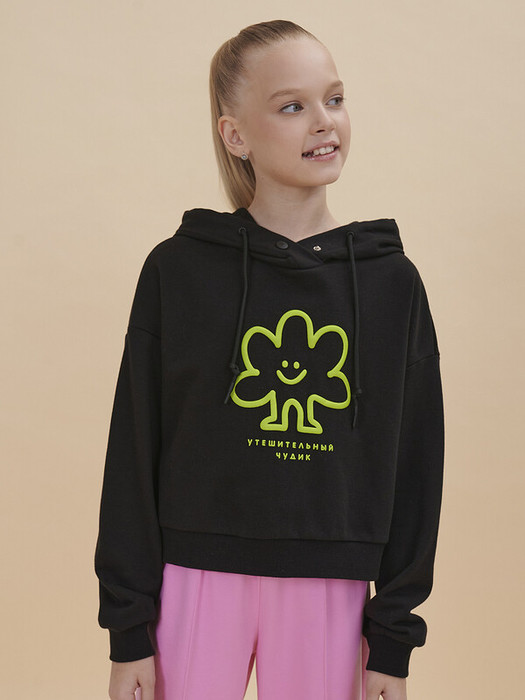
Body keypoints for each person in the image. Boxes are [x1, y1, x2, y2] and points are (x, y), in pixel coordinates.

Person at [94, 19, 445, 700]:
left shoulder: (391, 284)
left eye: (334, 99)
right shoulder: (178, 271)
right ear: (235, 135)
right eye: (292, 106)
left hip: (331, 585)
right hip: (193, 578)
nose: (323, 122)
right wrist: (128, 627)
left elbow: (417, 464)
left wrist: (393, 637)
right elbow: (132, 450)